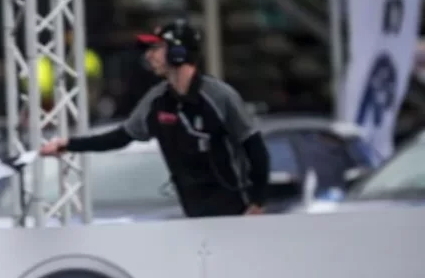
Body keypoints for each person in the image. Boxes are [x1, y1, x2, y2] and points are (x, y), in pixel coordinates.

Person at [39, 19, 271, 218]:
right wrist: (69, 145)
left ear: (178, 53)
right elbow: (121, 137)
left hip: (236, 211)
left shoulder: (219, 96)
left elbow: (255, 148)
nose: (149, 56)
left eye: (156, 48)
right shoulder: (156, 99)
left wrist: (257, 202)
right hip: (193, 211)